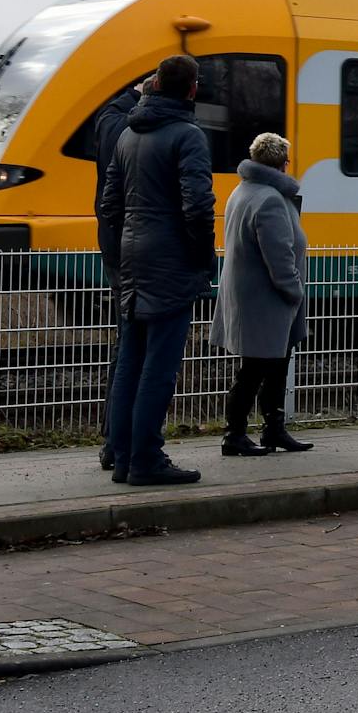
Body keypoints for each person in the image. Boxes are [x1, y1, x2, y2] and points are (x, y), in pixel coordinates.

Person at [99, 54, 214, 486]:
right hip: (169, 262)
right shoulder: (188, 136)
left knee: (130, 360)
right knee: (160, 367)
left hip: (131, 256)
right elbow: (199, 207)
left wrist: (131, 235)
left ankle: (124, 456)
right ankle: (147, 458)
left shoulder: (128, 135)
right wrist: (201, 256)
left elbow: (110, 204)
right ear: (192, 88)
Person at [211, 132, 312, 456]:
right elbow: (279, 255)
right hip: (267, 299)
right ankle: (235, 435)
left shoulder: (243, 191)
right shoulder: (269, 199)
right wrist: (293, 290)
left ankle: (273, 429)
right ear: (282, 163)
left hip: (252, 297)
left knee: (273, 364)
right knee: (255, 369)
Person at [92, 74, 151, 471]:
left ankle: (117, 441)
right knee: (135, 347)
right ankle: (123, 444)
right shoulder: (129, 125)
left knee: (129, 343)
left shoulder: (110, 116)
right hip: (133, 250)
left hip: (119, 244)